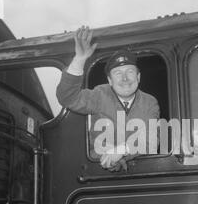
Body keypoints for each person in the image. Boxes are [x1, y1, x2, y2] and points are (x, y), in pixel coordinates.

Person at [56, 26, 160, 172]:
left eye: (130, 72)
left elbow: (151, 140)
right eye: (118, 73)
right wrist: (80, 59)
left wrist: (121, 150)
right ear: (110, 81)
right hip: (98, 173)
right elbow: (67, 97)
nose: (125, 78)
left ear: (138, 77)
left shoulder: (150, 102)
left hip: (138, 173)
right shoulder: (100, 94)